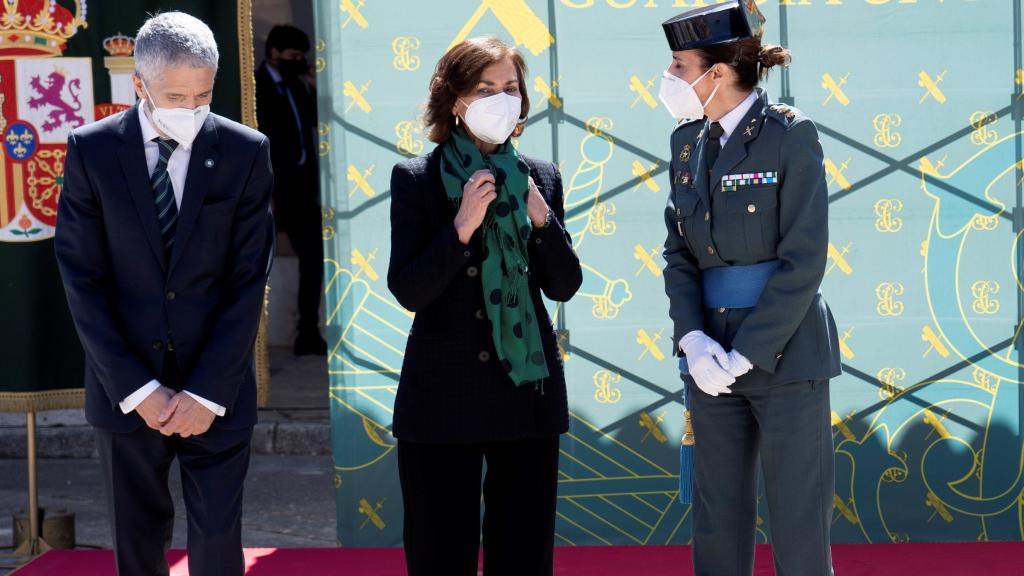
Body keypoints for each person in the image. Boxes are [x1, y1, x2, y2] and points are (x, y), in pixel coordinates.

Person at [55, 12, 274, 576]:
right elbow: (82, 278)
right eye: (176, 96)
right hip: (126, 393)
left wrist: (205, 392)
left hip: (216, 389)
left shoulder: (245, 151)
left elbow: (248, 279)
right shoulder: (93, 150)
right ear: (139, 85)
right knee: (137, 544)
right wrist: (137, 388)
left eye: (203, 95)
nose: (192, 110)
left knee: (219, 544)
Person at [387, 37, 582, 576]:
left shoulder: (540, 176)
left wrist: (543, 222)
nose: (501, 99)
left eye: (510, 88)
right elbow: (408, 289)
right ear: (454, 100)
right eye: (485, 88)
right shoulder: (417, 179)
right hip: (442, 397)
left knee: (522, 554)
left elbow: (564, 285)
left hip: (526, 394)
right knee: (438, 552)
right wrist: (461, 228)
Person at [659, 2, 842, 575]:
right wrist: (692, 338)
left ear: (717, 72)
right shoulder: (688, 143)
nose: (671, 79)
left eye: (680, 66)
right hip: (712, 355)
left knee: (797, 522)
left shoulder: (790, 135)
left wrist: (747, 352)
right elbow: (679, 253)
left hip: (785, 352)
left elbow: (804, 259)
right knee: (717, 522)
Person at [256, 24, 325, 355]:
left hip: (300, 189)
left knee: (313, 256)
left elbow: (316, 121)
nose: (299, 61)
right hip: (267, 190)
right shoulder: (254, 86)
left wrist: (313, 85)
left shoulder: (298, 87)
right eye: (293, 56)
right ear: (274, 54)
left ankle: (307, 332)